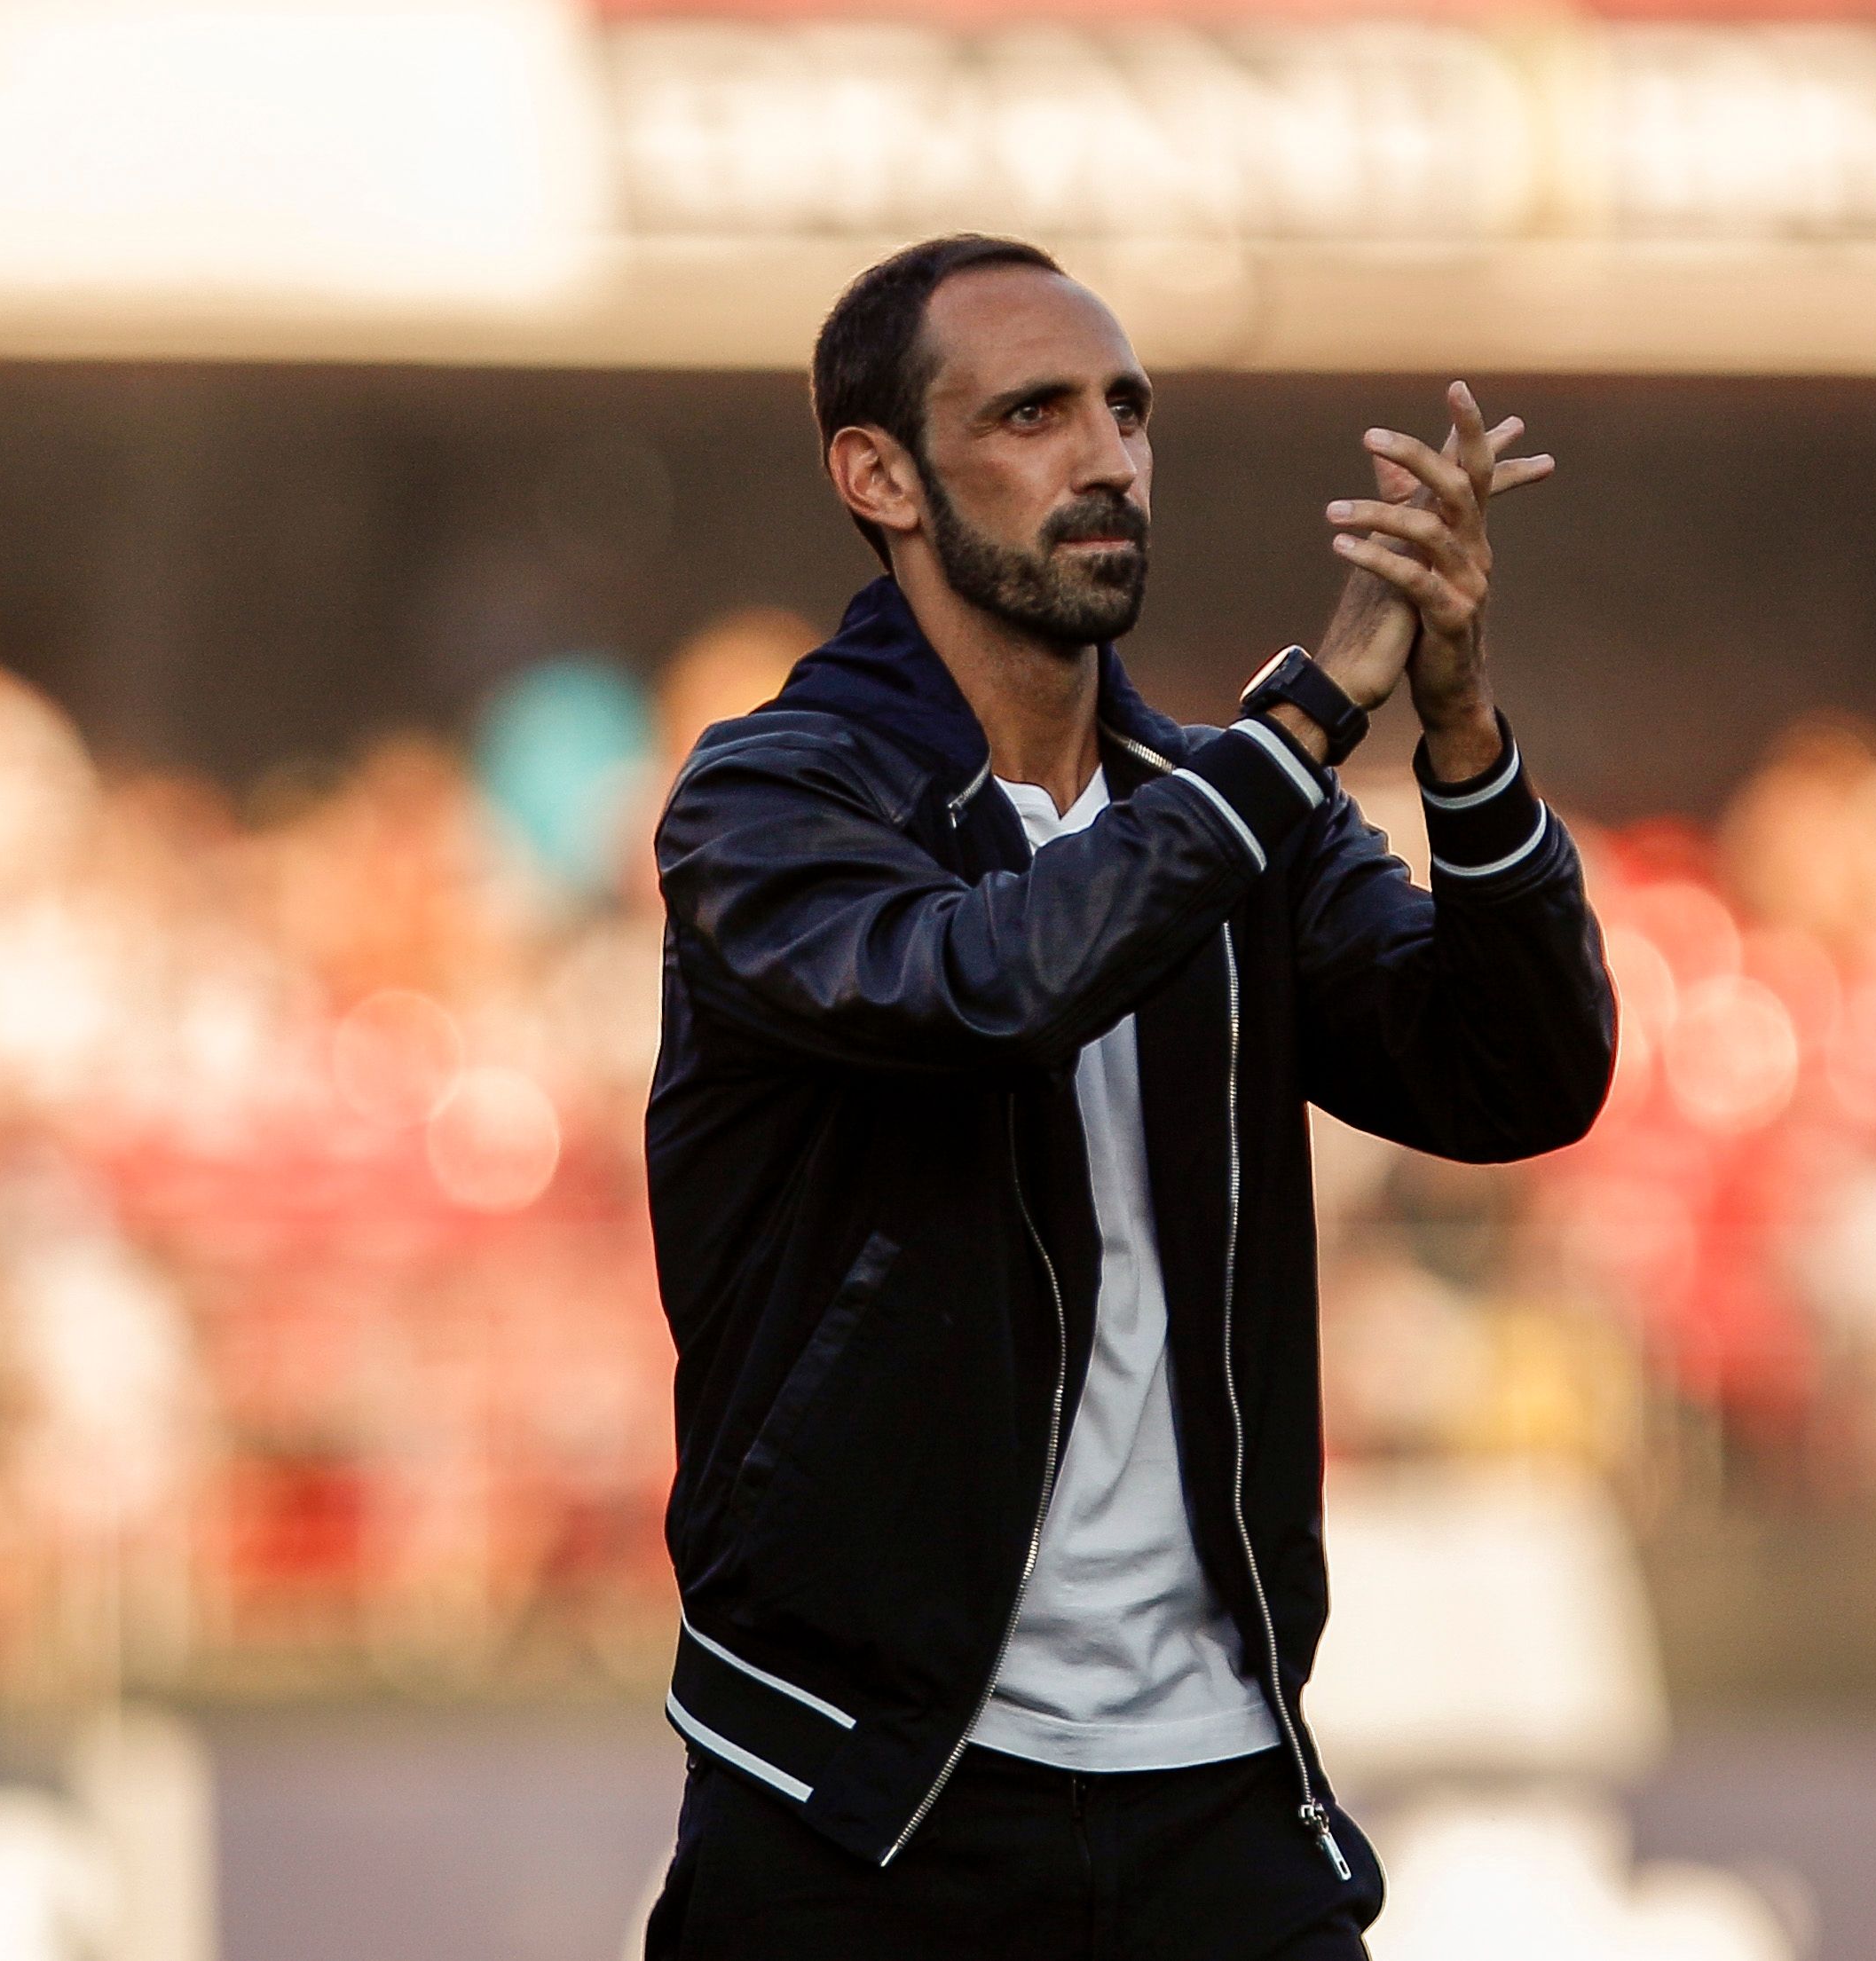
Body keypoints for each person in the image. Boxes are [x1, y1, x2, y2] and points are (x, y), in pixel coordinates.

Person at [642, 233, 1616, 1960]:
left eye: (1123, 409)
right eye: (1030, 412)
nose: (1102, 456)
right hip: (867, 1805)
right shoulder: (773, 801)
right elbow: (993, 987)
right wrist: (1307, 720)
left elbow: (1514, 1077)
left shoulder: (1230, 806)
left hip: (1218, 1796)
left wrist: (1453, 732)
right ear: (875, 472)